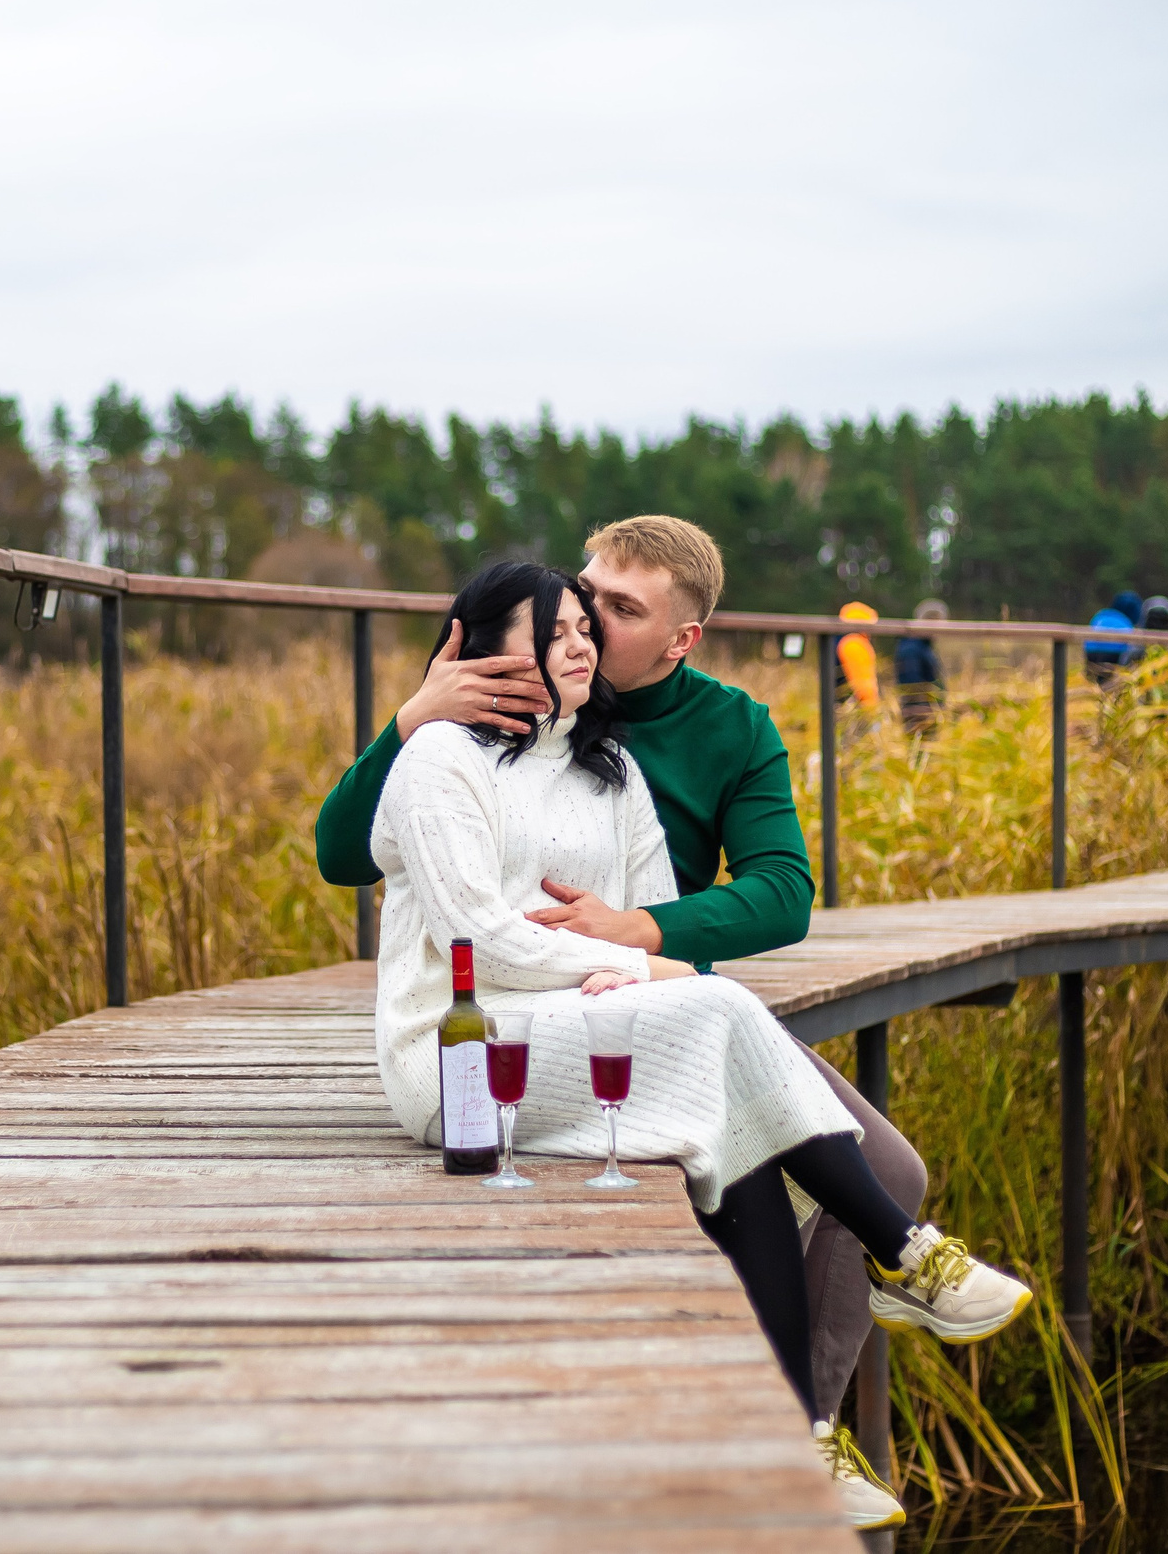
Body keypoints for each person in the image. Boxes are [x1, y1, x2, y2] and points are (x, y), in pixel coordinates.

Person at [319, 519, 1032, 1528]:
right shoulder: (461, 728)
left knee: (870, 1155)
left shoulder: (700, 735)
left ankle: (804, 1429)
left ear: (679, 638)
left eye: (611, 611)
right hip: (578, 1008)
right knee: (738, 1070)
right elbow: (355, 853)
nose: (588, 629)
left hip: (641, 995)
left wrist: (641, 938)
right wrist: (410, 716)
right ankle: (884, 1294)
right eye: (575, 604)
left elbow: (783, 893)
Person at [894, 599, 948, 737]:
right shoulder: (912, 649)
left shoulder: (924, 647)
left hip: (927, 713)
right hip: (920, 716)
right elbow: (912, 686)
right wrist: (925, 712)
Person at [1083, 588, 1142, 687]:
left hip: (1092, 653)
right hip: (1116, 655)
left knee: (1095, 680)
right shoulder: (1127, 622)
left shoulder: (1101, 615)